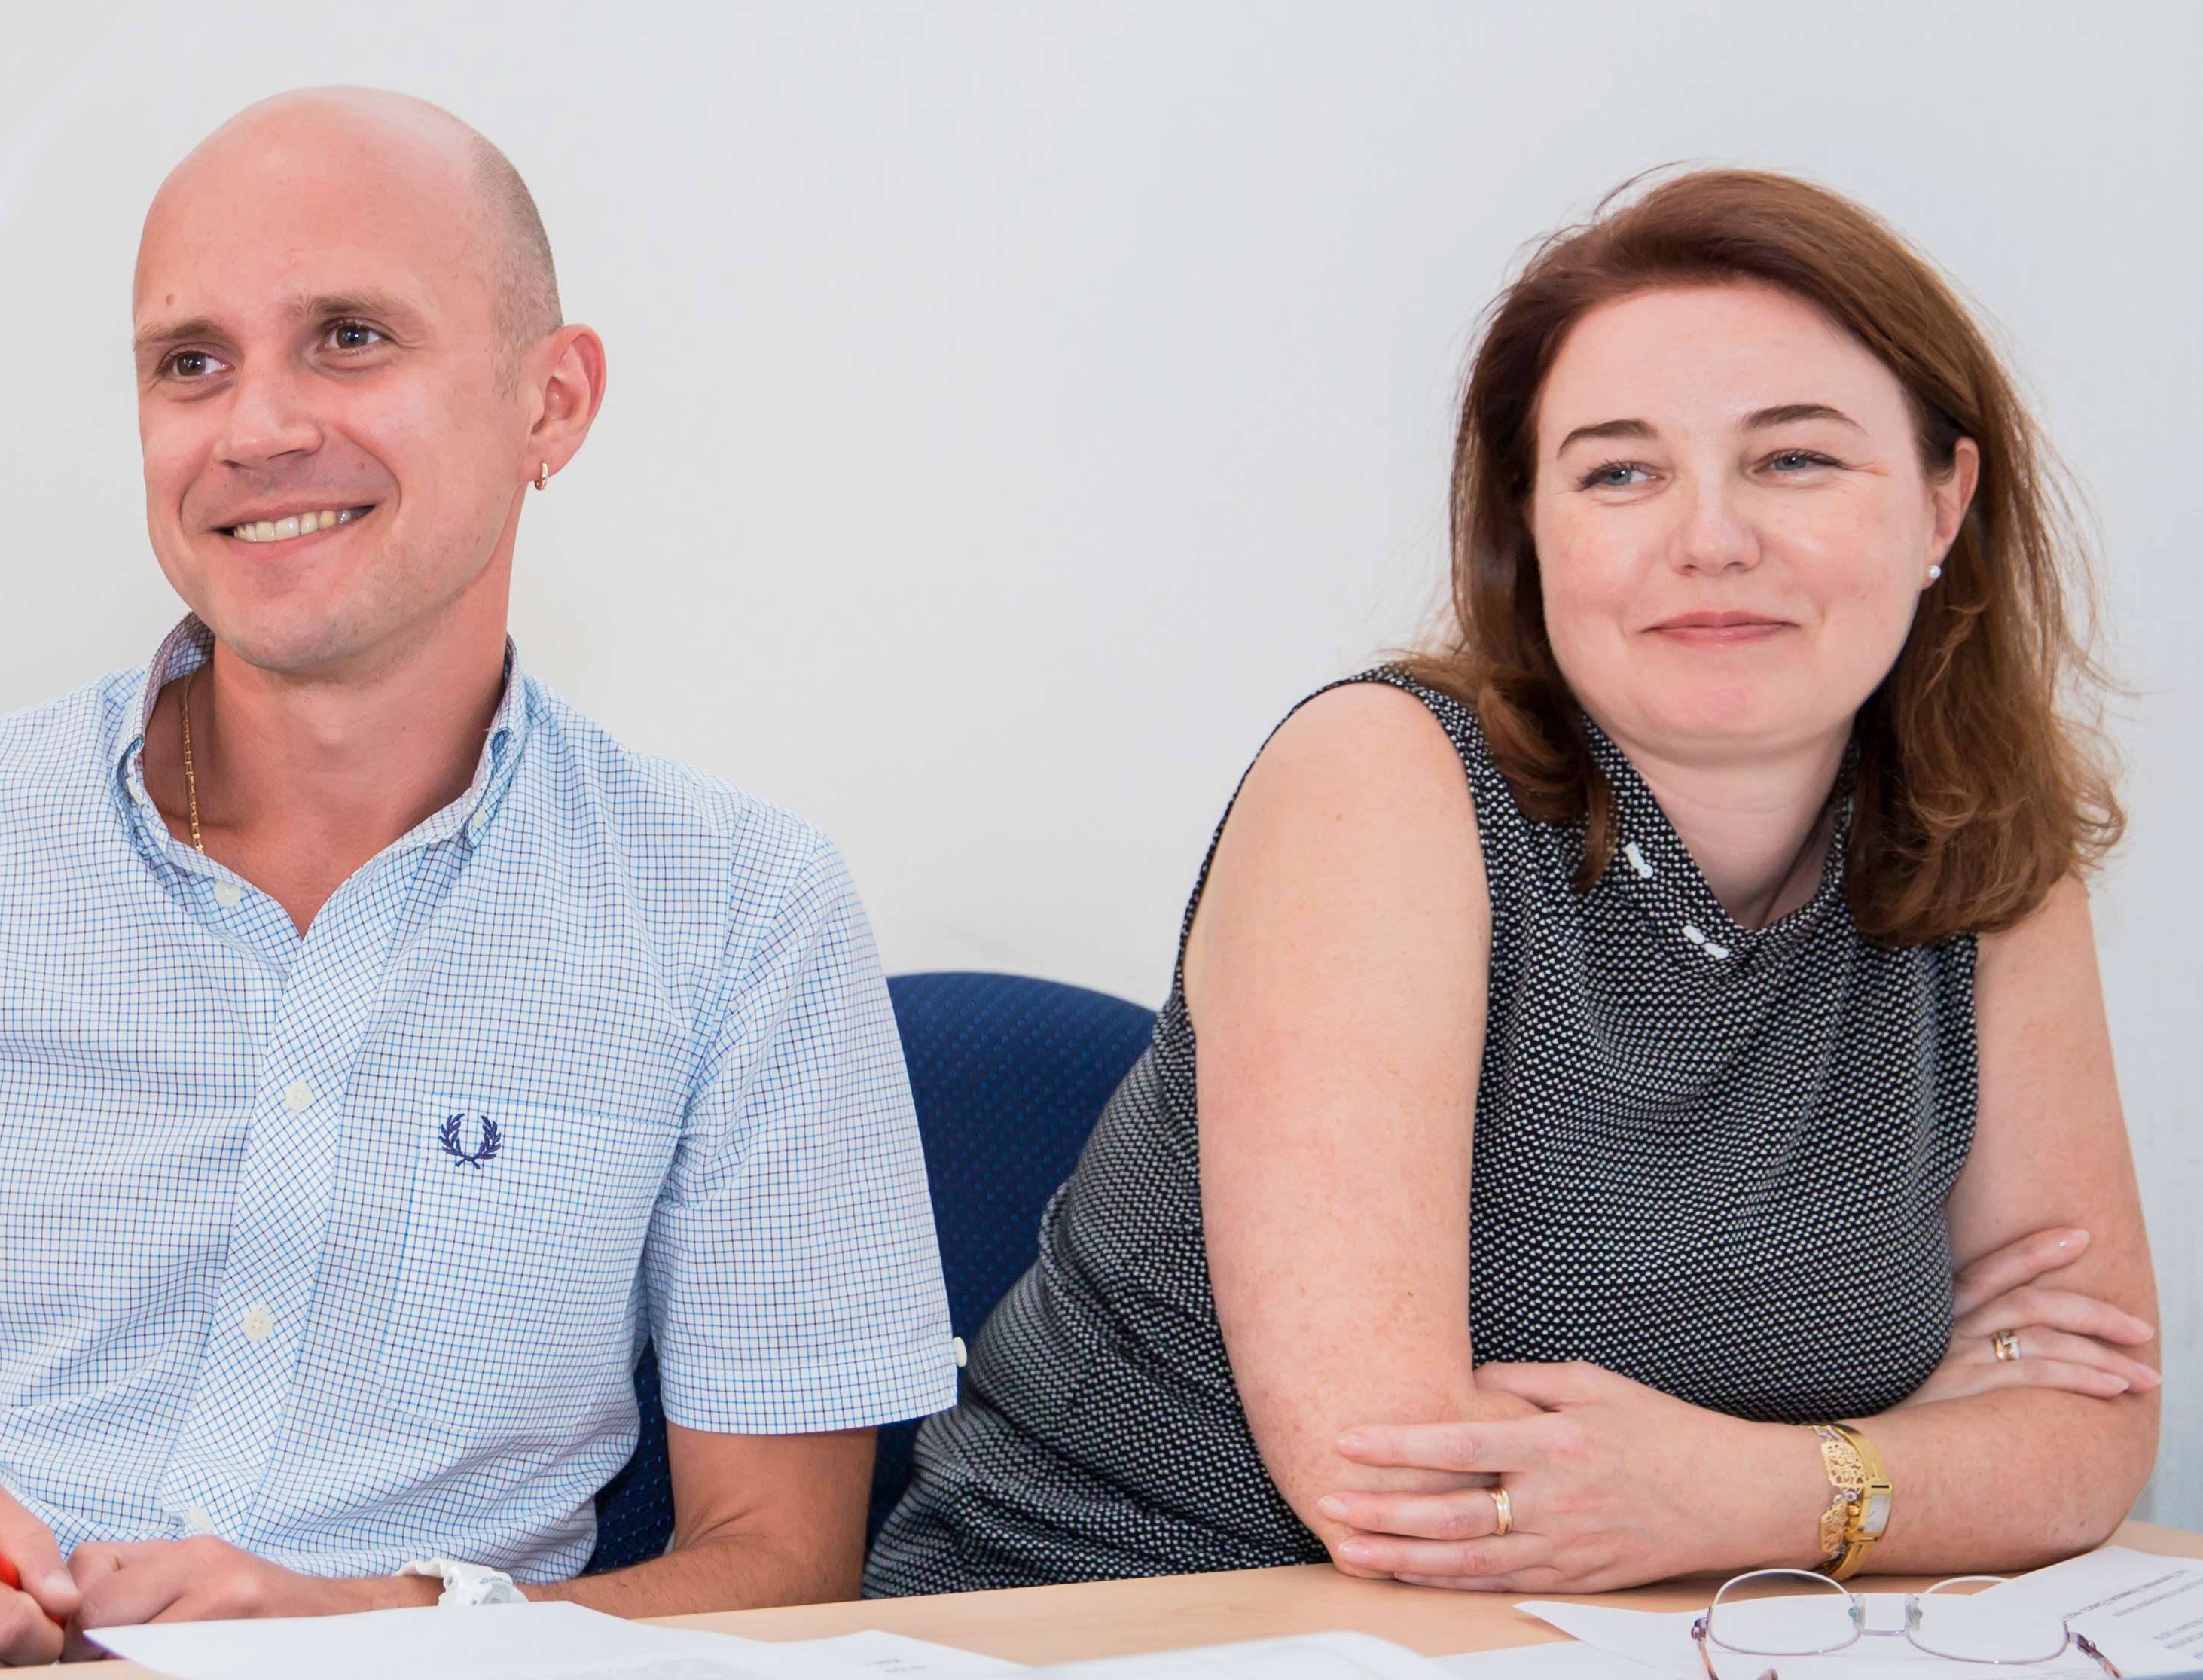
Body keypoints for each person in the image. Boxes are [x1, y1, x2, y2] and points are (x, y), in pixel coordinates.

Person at [0, 87, 957, 1680]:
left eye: (351, 338)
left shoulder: (740, 913)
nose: (255, 429)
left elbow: (783, 1571)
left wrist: (386, 1632)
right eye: (191, 362)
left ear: (552, 402)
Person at [865, 167, 2159, 1599]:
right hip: (1124, 1629)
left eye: (1793, 459)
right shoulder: (1388, 780)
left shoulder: (1984, 848)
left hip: (1687, 1644)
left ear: (1940, 503)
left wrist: (1739, 1489)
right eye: (1619, 473)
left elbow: (2086, 1429)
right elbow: (1403, 1483)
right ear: (1529, 528)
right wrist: (1903, 1466)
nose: (1709, 537)